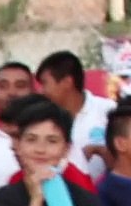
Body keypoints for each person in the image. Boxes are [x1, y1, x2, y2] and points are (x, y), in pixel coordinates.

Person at [36, 50, 117, 182]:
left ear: (67, 82)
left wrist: (103, 153)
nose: (42, 91)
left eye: (45, 83)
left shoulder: (108, 111)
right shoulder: (43, 119)